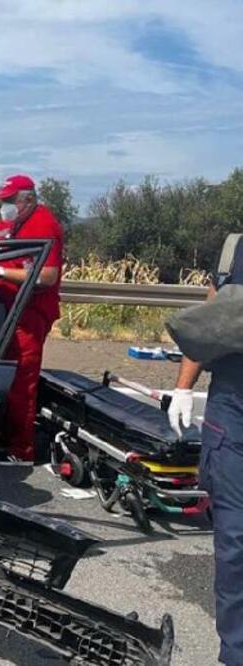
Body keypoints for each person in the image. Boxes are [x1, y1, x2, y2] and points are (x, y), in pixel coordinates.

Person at [166, 235, 243, 665]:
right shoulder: (238, 250)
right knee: (236, 547)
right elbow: (212, 322)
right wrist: (182, 388)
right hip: (235, 410)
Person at [0, 175, 64, 464]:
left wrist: (1, 272)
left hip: (29, 313)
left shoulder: (43, 225)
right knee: (9, 377)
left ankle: (20, 449)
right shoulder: (18, 223)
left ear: (27, 199)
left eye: (9, 201)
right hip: (12, 310)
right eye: (2, 201)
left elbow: (47, 277)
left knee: (21, 381)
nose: (5, 207)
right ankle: (6, 438)